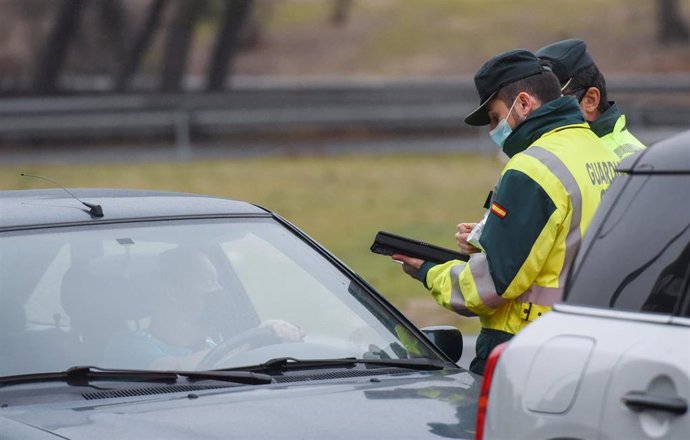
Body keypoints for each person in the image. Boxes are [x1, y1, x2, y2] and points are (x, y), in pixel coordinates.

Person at [393, 49, 620, 375]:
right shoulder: (601, 152)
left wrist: (429, 270)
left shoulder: (533, 167)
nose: (493, 131)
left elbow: (492, 285)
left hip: (525, 352)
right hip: (592, 345)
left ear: (524, 104)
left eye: (496, 117)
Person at [103, 248, 304, 370]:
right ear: (173, 292)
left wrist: (271, 335)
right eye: (207, 281)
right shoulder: (128, 347)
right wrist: (252, 344)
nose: (220, 290)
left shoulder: (211, 344)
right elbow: (173, 371)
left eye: (218, 281)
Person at [536, 38, 646, 159]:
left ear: (591, 100)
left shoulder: (629, 160)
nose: (544, 114)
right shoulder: (563, 151)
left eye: (556, 103)